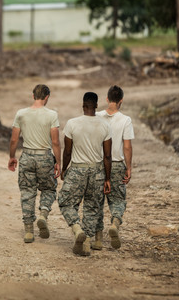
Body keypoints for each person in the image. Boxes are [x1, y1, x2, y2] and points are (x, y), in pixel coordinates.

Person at [59, 92, 112, 256]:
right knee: (92, 207)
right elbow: (107, 156)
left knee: (65, 202)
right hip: (97, 170)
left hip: (77, 169)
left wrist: (63, 169)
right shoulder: (105, 125)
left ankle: (76, 229)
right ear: (96, 106)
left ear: (83, 105)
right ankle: (86, 243)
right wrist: (108, 178)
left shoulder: (72, 124)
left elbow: (67, 152)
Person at [8, 84, 61, 243]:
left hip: (27, 156)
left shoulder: (21, 114)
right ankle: (43, 214)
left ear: (33, 96)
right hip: (45, 156)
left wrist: (12, 157)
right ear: (47, 97)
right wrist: (58, 162)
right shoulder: (52, 115)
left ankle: (29, 231)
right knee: (49, 189)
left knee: (27, 192)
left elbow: (14, 139)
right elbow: (56, 141)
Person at [93, 85, 134, 250]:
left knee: (96, 202)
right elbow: (127, 146)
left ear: (107, 99)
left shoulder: (96, 116)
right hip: (116, 164)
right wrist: (128, 167)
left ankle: (97, 240)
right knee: (117, 200)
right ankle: (115, 224)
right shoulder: (125, 120)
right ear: (121, 101)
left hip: (97, 164)